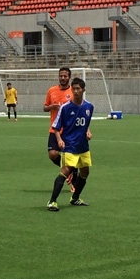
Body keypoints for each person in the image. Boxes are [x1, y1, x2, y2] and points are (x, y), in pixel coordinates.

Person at [47, 77, 93, 211]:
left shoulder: (89, 107)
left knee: (85, 171)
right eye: (73, 89)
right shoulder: (65, 108)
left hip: (83, 146)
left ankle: (75, 198)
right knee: (66, 170)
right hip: (70, 145)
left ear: (83, 90)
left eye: (78, 88)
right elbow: (55, 126)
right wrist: (60, 140)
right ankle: (52, 201)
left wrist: (88, 132)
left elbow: (85, 123)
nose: (75, 91)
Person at [43, 67, 76, 191]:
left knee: (72, 157)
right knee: (53, 154)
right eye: (61, 76)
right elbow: (45, 108)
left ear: (69, 77)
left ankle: (72, 176)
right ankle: (70, 171)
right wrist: (52, 106)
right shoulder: (52, 90)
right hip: (54, 129)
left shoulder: (73, 91)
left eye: (65, 76)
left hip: (69, 130)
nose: (63, 78)